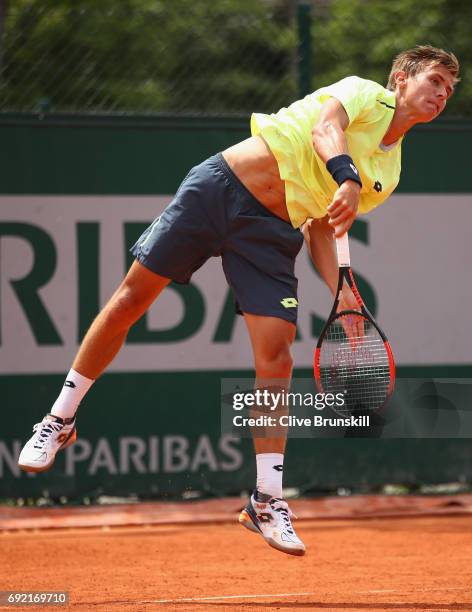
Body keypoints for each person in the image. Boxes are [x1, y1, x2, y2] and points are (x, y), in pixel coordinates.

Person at [18, 45, 459, 556]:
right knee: (129, 301)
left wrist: (342, 293)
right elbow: (324, 130)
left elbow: (321, 228)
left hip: (273, 233)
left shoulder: (391, 171)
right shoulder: (362, 93)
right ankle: (60, 418)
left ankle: (267, 500)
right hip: (220, 188)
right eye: (435, 81)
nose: (442, 94)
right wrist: (346, 175)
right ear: (402, 80)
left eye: (450, 89)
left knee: (276, 354)